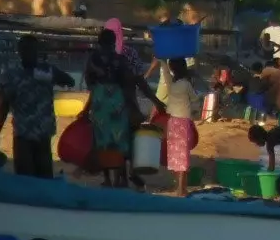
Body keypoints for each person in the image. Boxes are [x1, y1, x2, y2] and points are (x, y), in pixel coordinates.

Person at [85, 29, 165, 188]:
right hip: (117, 102)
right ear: (114, 42)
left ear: (99, 43)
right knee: (119, 140)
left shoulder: (93, 59)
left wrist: (88, 107)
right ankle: (120, 179)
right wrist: (155, 101)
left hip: (100, 102)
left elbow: (90, 83)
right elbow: (137, 80)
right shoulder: (119, 59)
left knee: (103, 140)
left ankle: (107, 179)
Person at [0, 35, 75, 179]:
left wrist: (52, 74)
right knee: (25, 178)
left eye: (32, 50)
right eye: (26, 50)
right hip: (24, 134)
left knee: (44, 179)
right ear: (20, 52)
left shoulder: (46, 70)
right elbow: (4, 106)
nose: (29, 53)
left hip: (43, 134)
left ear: (37, 52)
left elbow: (70, 81)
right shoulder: (12, 75)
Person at [164, 58, 199, 196]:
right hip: (183, 122)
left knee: (175, 156)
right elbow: (195, 99)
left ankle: (178, 187)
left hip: (172, 122)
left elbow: (165, 69)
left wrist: (162, 60)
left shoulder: (171, 83)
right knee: (183, 156)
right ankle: (181, 188)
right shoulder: (186, 84)